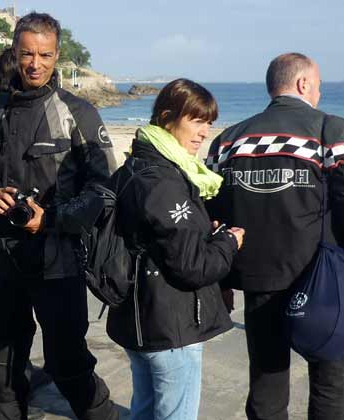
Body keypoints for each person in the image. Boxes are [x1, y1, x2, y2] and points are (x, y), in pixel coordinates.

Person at [0, 12, 119, 420]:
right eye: (27, 53)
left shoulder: (77, 113)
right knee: (1, 367)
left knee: (67, 363)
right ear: (14, 51)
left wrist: (49, 219)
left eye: (44, 55)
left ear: (57, 54)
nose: (35, 64)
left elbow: (103, 190)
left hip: (58, 263)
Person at [205, 52, 344, 420]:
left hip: (259, 283)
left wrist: (221, 280)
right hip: (325, 282)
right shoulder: (334, 132)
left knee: (267, 383)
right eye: (317, 85)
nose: (319, 93)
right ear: (303, 83)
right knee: (330, 380)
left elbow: (212, 217)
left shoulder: (228, 141)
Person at [108, 79, 245, 420]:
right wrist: (228, 242)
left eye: (209, 123)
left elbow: (155, 236)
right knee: (174, 414)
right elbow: (192, 267)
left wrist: (203, 233)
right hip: (169, 323)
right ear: (168, 117)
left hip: (139, 316)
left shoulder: (135, 166)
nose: (204, 133)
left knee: (145, 408)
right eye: (196, 121)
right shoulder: (164, 180)